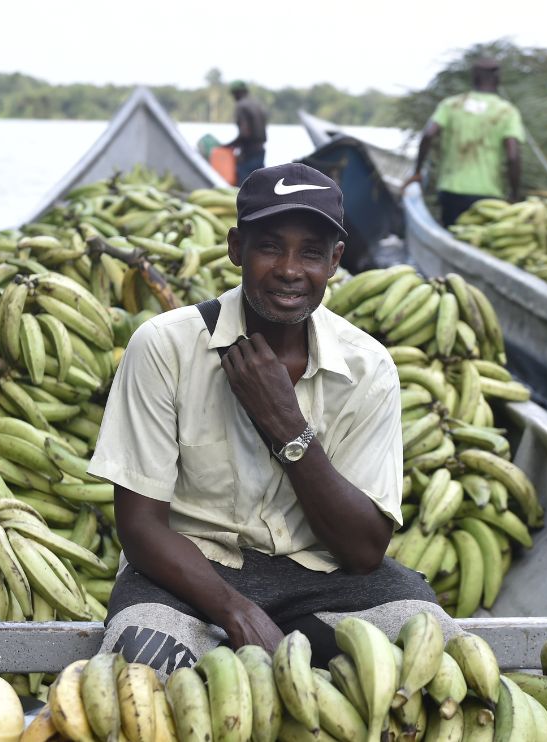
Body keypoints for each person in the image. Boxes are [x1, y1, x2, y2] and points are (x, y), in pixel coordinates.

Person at [88, 162, 456, 676]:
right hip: (188, 571)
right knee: (141, 673)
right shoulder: (165, 346)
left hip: (321, 577)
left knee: (438, 657)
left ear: (335, 261)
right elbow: (140, 526)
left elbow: (364, 550)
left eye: (310, 252)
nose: (289, 268)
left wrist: (286, 427)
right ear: (237, 248)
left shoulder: (367, 367)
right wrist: (237, 611)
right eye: (269, 246)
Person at [407, 57, 525, 227]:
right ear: (498, 79)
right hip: (489, 195)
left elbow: (427, 135)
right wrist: (514, 194)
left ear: (474, 78)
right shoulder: (507, 111)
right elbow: (513, 156)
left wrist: (417, 171)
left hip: (451, 190)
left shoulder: (451, 104)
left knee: (451, 230)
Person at [225, 80, 268, 185]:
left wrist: (227, 146)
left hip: (249, 153)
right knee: (258, 184)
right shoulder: (257, 105)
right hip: (260, 150)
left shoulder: (241, 106)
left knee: (244, 186)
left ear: (236, 93)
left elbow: (245, 133)